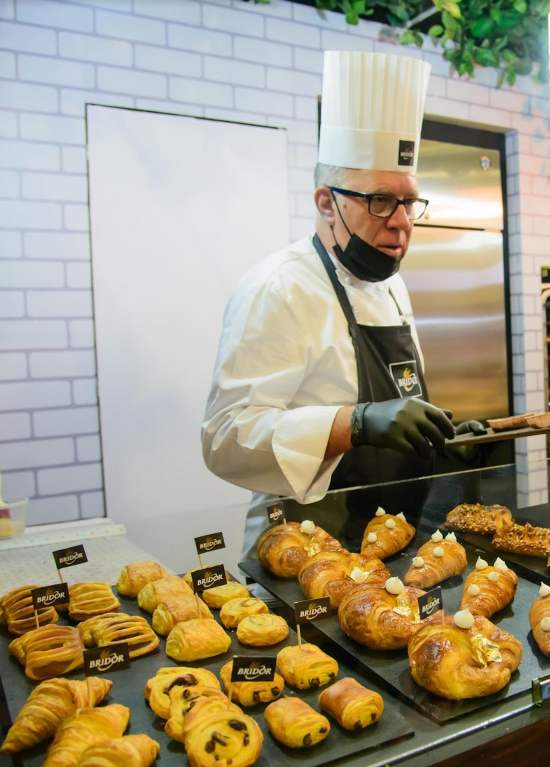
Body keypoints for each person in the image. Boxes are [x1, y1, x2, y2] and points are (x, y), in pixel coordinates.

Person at [202, 50, 481, 549]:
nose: (401, 221)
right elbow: (226, 438)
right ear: (326, 203)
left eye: (410, 201)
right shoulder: (278, 287)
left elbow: (398, 403)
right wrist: (353, 423)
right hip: (308, 548)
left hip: (395, 542)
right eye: (379, 201)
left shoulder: (391, 285)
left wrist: (438, 439)